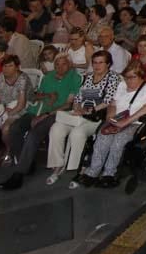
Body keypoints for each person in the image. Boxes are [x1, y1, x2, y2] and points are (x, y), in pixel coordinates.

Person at [0, 52, 82, 190]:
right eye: (57, 64)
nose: (60, 67)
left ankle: (19, 173)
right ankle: (27, 165)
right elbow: (35, 97)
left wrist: (47, 113)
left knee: (33, 135)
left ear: (70, 65)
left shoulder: (75, 77)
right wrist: (47, 95)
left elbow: (69, 104)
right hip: (37, 110)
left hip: (57, 113)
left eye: (64, 64)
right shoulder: (48, 77)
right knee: (14, 129)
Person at [73, 60, 146, 188]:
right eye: (126, 77)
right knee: (102, 137)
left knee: (118, 141)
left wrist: (125, 122)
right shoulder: (122, 85)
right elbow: (113, 104)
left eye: (132, 77)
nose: (129, 81)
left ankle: (109, 174)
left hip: (134, 122)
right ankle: (93, 171)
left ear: (140, 75)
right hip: (117, 119)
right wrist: (110, 116)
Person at [46, 50, 121, 185]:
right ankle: (57, 166)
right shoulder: (88, 77)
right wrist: (77, 107)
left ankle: (79, 169)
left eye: (100, 63)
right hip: (80, 115)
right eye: (94, 63)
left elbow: (108, 101)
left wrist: (89, 110)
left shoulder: (113, 78)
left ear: (108, 64)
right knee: (56, 128)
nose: (97, 66)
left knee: (77, 133)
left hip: (96, 117)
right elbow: (78, 97)